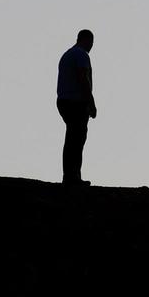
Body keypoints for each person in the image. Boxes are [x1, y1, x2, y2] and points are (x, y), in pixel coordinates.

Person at [56, 29, 98, 185]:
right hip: (75, 101)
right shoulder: (81, 55)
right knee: (77, 138)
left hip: (64, 100)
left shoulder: (67, 54)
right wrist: (91, 102)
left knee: (73, 137)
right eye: (91, 42)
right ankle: (72, 177)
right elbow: (83, 77)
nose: (92, 46)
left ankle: (70, 176)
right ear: (86, 40)